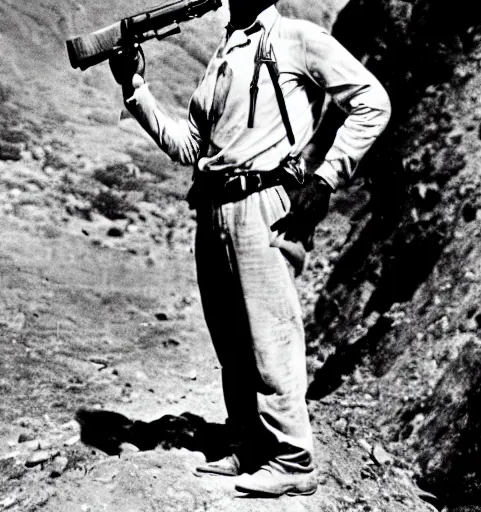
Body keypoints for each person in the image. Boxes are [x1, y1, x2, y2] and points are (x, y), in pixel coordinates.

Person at [109, 0, 391, 497]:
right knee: (232, 336)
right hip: (215, 206)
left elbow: (372, 101)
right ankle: (249, 444)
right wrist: (136, 89)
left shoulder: (297, 39)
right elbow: (188, 148)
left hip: (264, 204)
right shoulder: (225, 52)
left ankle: (293, 459)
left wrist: (325, 179)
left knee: (269, 333)